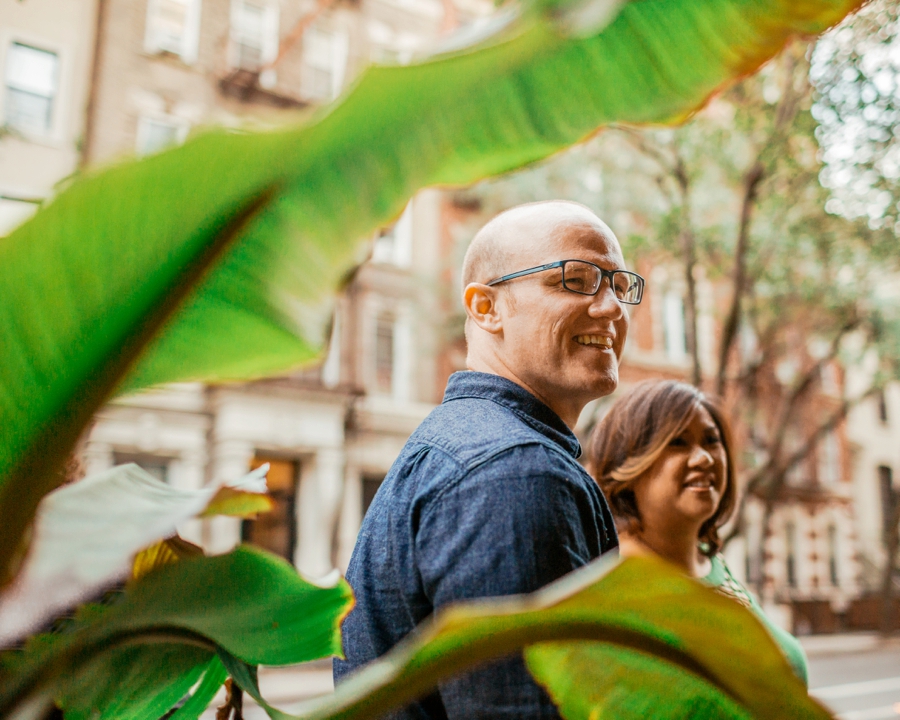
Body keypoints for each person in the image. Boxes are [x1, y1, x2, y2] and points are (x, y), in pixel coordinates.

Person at [334, 201, 645, 719]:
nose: (612, 307)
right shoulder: (513, 471)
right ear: (485, 308)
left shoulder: (468, 448)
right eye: (577, 279)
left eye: (618, 284)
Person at [585, 379, 809, 685]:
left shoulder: (714, 564)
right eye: (677, 441)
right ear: (627, 466)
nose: (704, 457)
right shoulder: (614, 586)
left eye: (711, 440)